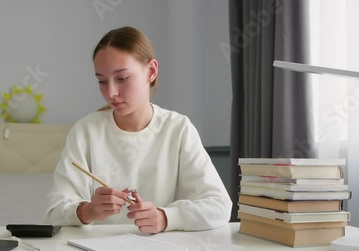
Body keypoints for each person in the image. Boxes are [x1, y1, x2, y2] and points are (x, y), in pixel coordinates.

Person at [44, 26, 232, 234]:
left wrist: (166, 217)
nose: (111, 92)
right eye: (102, 81)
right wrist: (88, 211)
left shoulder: (178, 129)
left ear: (151, 71)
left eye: (122, 78)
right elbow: (53, 213)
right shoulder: (85, 131)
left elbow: (220, 206)